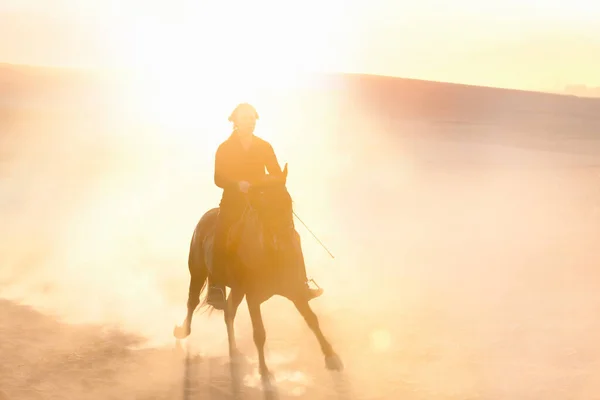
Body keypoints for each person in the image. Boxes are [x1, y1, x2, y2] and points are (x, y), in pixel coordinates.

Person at [206, 102, 323, 309]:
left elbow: (275, 173)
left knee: (291, 235)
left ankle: (301, 284)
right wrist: (237, 184)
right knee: (221, 233)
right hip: (233, 202)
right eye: (245, 118)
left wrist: (274, 180)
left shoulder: (264, 146)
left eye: (252, 118)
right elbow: (218, 178)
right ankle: (216, 288)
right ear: (235, 122)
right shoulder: (225, 148)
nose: (250, 122)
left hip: (261, 202)